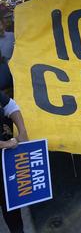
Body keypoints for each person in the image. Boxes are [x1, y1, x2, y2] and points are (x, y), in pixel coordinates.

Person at [0, 90, 28, 233]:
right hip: (5, 149)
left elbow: (10, 106)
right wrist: (6, 144)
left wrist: (22, 131)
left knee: (13, 215)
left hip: (5, 165)